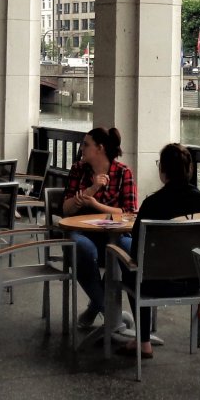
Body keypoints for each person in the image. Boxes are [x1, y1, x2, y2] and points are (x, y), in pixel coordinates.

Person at [115, 142, 200, 358]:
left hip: (155, 284)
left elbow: (137, 248)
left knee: (128, 260)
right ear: (189, 170)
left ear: (163, 171)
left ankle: (143, 341)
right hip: (196, 283)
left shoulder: (152, 204)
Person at [62, 126, 137, 329]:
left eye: (86, 144)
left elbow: (129, 212)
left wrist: (95, 205)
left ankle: (100, 308)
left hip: (116, 233)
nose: (81, 148)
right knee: (81, 248)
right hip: (82, 233)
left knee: (130, 250)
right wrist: (93, 189)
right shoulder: (78, 169)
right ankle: (111, 313)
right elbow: (67, 208)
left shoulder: (123, 173)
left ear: (100, 149)